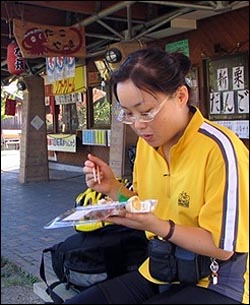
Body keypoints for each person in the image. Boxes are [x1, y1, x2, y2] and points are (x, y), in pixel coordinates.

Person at [64, 47, 249, 304]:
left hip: (218, 281)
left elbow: (224, 247)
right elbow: (143, 205)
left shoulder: (220, 149)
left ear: (181, 96)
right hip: (162, 268)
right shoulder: (146, 145)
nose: (139, 125)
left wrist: (157, 226)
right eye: (129, 114)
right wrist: (112, 188)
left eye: (146, 111)